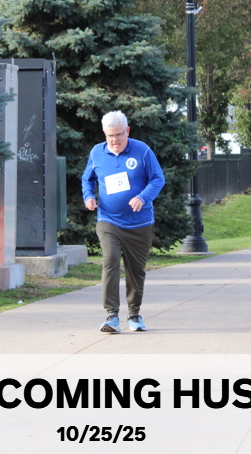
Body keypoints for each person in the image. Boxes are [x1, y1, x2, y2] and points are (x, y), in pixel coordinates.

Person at [81, 110, 165, 334]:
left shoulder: (142, 151)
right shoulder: (97, 152)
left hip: (140, 223)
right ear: (104, 134)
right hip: (108, 220)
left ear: (127, 131)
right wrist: (88, 197)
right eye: (110, 136)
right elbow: (87, 179)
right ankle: (111, 316)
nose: (115, 140)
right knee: (110, 261)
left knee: (135, 270)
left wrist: (142, 197)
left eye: (119, 134)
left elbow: (158, 178)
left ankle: (134, 314)